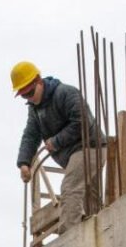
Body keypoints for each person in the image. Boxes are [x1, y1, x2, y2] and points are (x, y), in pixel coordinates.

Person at [12, 60, 104, 236]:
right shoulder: (35, 109)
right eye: (24, 96)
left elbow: (83, 122)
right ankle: (96, 229)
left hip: (90, 148)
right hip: (71, 155)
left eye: (30, 92)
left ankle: (70, 236)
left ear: (39, 81)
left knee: (70, 187)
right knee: (90, 195)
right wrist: (24, 163)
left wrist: (56, 141)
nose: (29, 98)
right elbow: (31, 135)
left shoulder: (65, 93)